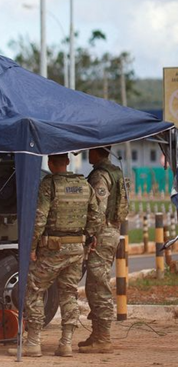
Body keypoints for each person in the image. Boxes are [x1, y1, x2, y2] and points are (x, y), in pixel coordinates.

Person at [8, 153, 104, 358]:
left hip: (52, 249)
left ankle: (33, 343)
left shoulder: (48, 185)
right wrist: (86, 236)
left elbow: (40, 218)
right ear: (67, 162)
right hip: (76, 249)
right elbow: (96, 217)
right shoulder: (84, 185)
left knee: (34, 290)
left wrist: (31, 247)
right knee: (69, 293)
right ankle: (66, 343)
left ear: (50, 163)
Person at [80, 147, 128, 353]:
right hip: (111, 230)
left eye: (90, 151)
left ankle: (103, 337)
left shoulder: (100, 175)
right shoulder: (115, 171)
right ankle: (97, 333)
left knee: (98, 283)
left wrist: (90, 235)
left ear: (97, 152)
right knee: (94, 282)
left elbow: (98, 209)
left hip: (103, 232)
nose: (87, 154)